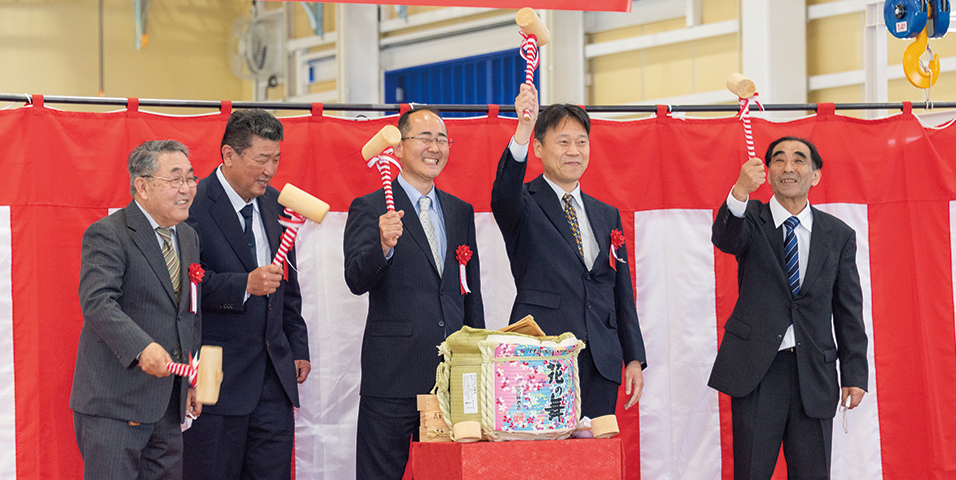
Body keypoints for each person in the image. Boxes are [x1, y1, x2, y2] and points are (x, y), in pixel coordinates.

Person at [709, 136, 869, 479]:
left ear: (815, 175)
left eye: (799, 160)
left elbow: (848, 309)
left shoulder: (838, 234)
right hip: (757, 372)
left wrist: (854, 373)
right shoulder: (752, 218)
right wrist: (740, 190)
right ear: (767, 172)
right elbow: (725, 239)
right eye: (779, 160)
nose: (788, 167)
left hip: (814, 374)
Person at [344, 107, 484, 480]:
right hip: (392, 376)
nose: (434, 147)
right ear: (399, 148)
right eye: (424, 138)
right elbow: (355, 279)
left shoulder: (460, 211)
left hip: (449, 380)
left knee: (447, 474)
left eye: (442, 139)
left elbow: (470, 293)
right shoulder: (370, 207)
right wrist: (382, 246)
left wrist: (475, 361)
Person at [490, 84, 646, 419]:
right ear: (538, 148)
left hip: (601, 359)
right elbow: (503, 192)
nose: (574, 151)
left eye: (581, 142)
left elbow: (621, 290)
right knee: (544, 450)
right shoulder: (523, 202)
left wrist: (633, 356)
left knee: (595, 449)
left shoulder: (606, 214)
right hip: (541, 354)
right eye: (563, 142)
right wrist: (523, 127)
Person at [182, 109, 311, 480]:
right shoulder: (192, 205)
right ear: (229, 155)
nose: (270, 170)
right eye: (261, 159)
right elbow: (184, 287)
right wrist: (243, 285)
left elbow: (288, 288)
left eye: (276, 159)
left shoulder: (277, 205)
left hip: (274, 378)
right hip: (216, 377)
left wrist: (298, 347)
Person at [70, 140, 202, 480]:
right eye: (175, 179)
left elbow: (189, 311)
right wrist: (142, 348)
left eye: (190, 178)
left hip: (168, 405)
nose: (186, 189)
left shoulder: (188, 237)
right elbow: (98, 302)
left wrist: (192, 380)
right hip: (115, 404)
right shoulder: (108, 233)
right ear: (142, 186)